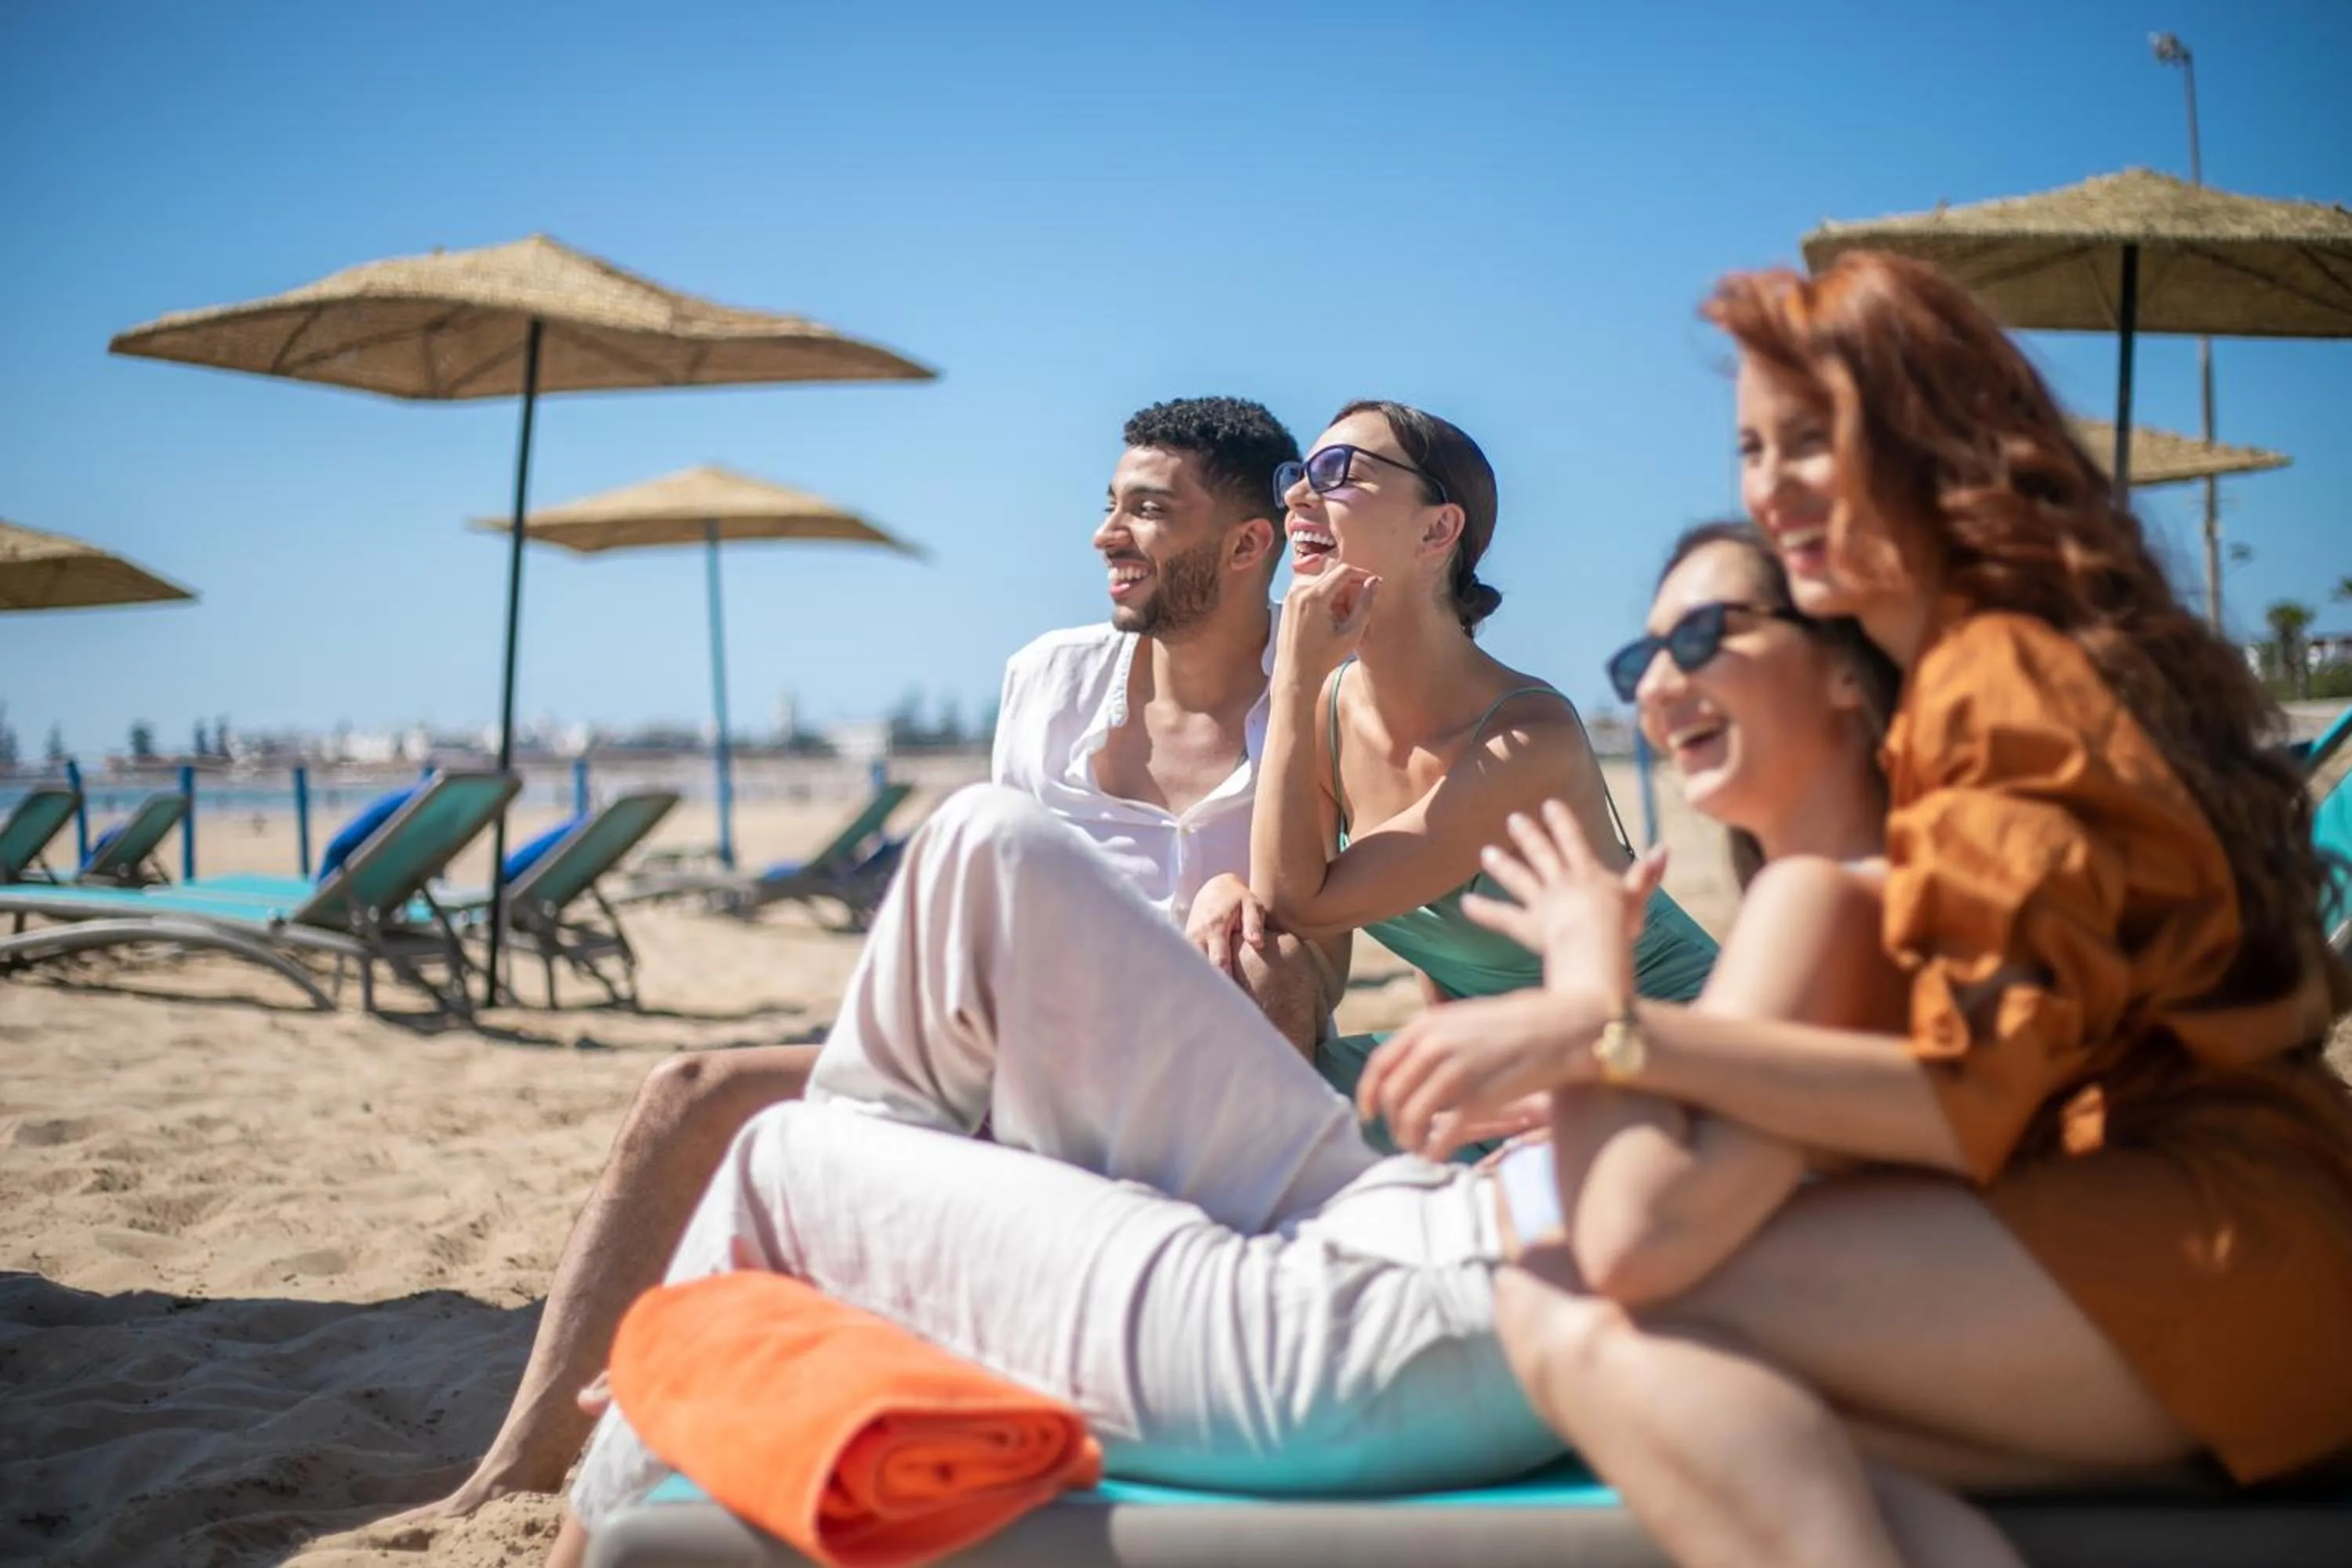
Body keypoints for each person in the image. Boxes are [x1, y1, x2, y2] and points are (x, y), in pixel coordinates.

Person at [546, 523, 1930, 1562]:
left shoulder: (1828, 903)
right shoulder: (1818, 905)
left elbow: (1642, 1240)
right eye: (1650, 656)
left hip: (1384, 1339)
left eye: (1707, 643)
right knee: (985, 839)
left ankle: (604, 1514)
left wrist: (1583, 1010)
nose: (1662, 688)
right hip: (1410, 1223)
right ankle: (828, 1285)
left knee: (789, 1156)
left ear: (1855, 673)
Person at [1360, 252, 2352, 1566]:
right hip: (2204, 1241)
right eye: (1755, 452)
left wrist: (1605, 1032)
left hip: (2214, 1249)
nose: (1773, 487)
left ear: (1934, 441)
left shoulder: (1997, 683)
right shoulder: (1960, 687)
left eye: (1815, 442)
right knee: (1761, 1424)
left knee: (1588, 1306)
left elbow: (1960, 1096)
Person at [396, 396, 1331, 1524]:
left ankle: (701, 1377)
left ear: (1247, 546)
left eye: (1147, 510)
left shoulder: (1320, 705)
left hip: (1190, 1102)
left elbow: (1309, 986)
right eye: (1108, 504)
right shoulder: (1048, 681)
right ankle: (508, 1476)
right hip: (999, 1069)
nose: (1105, 534)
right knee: (688, 1094)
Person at [1189, 401, 1718, 1142]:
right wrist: (1224, 890)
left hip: (1660, 1052)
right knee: (1249, 961)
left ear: (1438, 529)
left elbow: (1300, 899)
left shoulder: (1527, 738)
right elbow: (1312, 932)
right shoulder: (1329, 709)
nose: (1297, 495)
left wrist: (1297, 676)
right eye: (1296, 476)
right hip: (1511, 1065)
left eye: (1337, 472)